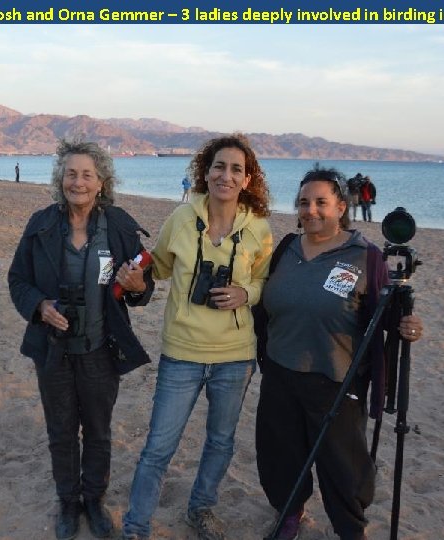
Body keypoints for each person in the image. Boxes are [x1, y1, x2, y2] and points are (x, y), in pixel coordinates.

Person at [253, 164, 423, 540]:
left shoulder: (366, 256)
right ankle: (291, 512)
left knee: (342, 464)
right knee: (281, 454)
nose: (310, 210)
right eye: (303, 202)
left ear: (341, 206)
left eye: (320, 202)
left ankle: (350, 528)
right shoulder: (285, 249)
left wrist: (406, 327)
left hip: (337, 378)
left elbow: (387, 317)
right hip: (280, 372)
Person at [122, 134, 273, 540]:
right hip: (182, 352)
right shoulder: (180, 219)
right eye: (219, 166)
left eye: (236, 169)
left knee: (221, 442)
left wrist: (246, 293)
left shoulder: (258, 228)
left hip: (235, 356)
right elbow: (160, 269)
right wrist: (137, 278)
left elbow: (263, 280)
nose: (227, 175)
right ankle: (136, 527)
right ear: (205, 173)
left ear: (247, 179)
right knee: (158, 447)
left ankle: (201, 508)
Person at [8, 139, 155, 540]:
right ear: (60, 179)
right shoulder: (40, 225)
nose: (78, 182)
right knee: (60, 431)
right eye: (70, 174)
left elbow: (143, 290)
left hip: (100, 352)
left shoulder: (120, 226)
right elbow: (17, 280)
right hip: (52, 352)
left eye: (87, 175)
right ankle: (68, 504)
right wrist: (39, 306)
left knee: (98, 431)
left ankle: (94, 499)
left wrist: (139, 284)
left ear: (102, 181)